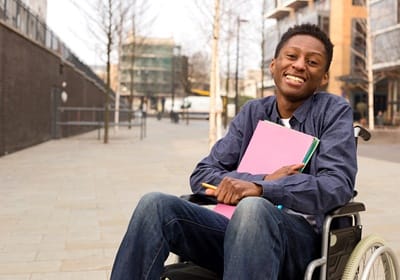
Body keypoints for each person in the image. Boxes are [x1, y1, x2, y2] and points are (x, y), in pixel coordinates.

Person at [110, 23, 357, 279]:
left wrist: (265, 191)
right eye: (291, 56)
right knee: (154, 205)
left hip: (298, 243)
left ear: (324, 76)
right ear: (274, 65)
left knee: (253, 208)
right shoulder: (253, 112)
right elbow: (202, 175)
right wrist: (260, 181)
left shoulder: (333, 111)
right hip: (233, 232)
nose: (299, 65)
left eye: (313, 62)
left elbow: (337, 185)